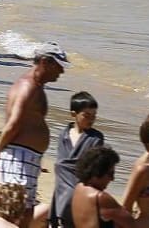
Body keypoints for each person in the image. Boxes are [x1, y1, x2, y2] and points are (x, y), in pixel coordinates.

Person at [0, 44, 70, 213]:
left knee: (25, 209)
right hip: (19, 156)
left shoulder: (35, 86)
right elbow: (14, 122)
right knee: (15, 210)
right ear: (45, 62)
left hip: (27, 156)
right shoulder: (28, 86)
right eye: (59, 66)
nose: (61, 71)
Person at [50, 93, 105, 228]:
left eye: (94, 116)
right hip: (61, 190)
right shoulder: (63, 135)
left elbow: (93, 170)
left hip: (81, 193)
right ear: (73, 114)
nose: (91, 119)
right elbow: (61, 165)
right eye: (87, 116)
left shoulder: (96, 138)